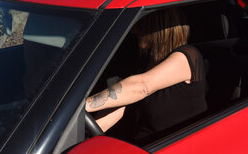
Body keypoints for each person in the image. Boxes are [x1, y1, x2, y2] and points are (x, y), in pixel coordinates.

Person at [85, 8, 207, 142]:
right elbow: (121, 104)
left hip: (178, 146)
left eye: (141, 25)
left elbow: (142, 86)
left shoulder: (186, 56)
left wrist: (84, 105)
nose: (134, 31)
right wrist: (80, 131)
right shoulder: (146, 63)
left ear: (159, 29)